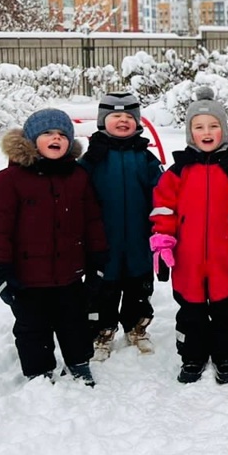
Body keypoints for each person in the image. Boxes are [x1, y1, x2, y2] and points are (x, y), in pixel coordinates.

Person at [0, 108, 106, 385]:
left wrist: (97, 260)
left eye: (62, 134)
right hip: (27, 278)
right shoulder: (8, 181)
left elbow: (93, 221)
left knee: (74, 322)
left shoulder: (77, 177)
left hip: (69, 273)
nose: (56, 138)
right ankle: (39, 371)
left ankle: (79, 362)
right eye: (48, 133)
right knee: (31, 328)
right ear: (31, 138)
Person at [150, 88, 228, 385]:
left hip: (224, 257)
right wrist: (162, 241)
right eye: (199, 126)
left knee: (227, 309)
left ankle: (227, 355)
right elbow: (163, 209)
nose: (207, 132)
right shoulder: (177, 172)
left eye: (213, 125)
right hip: (187, 259)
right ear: (190, 132)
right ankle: (192, 355)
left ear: (223, 130)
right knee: (191, 310)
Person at [81, 92, 164, 361]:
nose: (123, 121)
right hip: (104, 239)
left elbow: (161, 193)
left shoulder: (146, 158)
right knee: (103, 289)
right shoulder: (93, 158)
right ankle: (101, 332)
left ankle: (136, 326)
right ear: (103, 121)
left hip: (139, 237)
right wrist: (89, 161)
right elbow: (77, 188)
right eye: (116, 116)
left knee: (139, 286)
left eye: (129, 116)